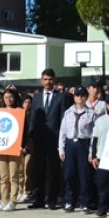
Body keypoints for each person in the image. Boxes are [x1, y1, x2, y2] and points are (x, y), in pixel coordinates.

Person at [27, 69, 70, 209]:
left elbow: (64, 119)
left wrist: (63, 140)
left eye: (50, 79)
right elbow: (33, 118)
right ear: (41, 81)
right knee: (38, 170)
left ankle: (52, 200)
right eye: (45, 79)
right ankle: (39, 199)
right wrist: (31, 138)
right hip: (39, 139)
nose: (48, 82)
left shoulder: (61, 97)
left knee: (54, 170)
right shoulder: (37, 97)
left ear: (54, 80)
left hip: (54, 139)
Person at [58, 86, 97, 212]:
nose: (79, 98)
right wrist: (61, 149)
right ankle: (69, 201)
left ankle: (84, 202)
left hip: (83, 144)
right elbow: (62, 132)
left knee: (84, 174)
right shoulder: (68, 113)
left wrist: (91, 152)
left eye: (82, 96)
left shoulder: (91, 114)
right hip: (70, 144)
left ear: (86, 97)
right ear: (74, 97)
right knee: (69, 174)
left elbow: (93, 135)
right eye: (77, 95)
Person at [0, 89, 25, 211]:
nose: (8, 99)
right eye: (6, 97)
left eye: (11, 97)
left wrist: (23, 145)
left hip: (15, 146)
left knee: (13, 175)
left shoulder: (19, 112)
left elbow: (25, 130)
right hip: (2, 147)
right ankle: (4, 200)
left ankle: (13, 201)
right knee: (3, 176)